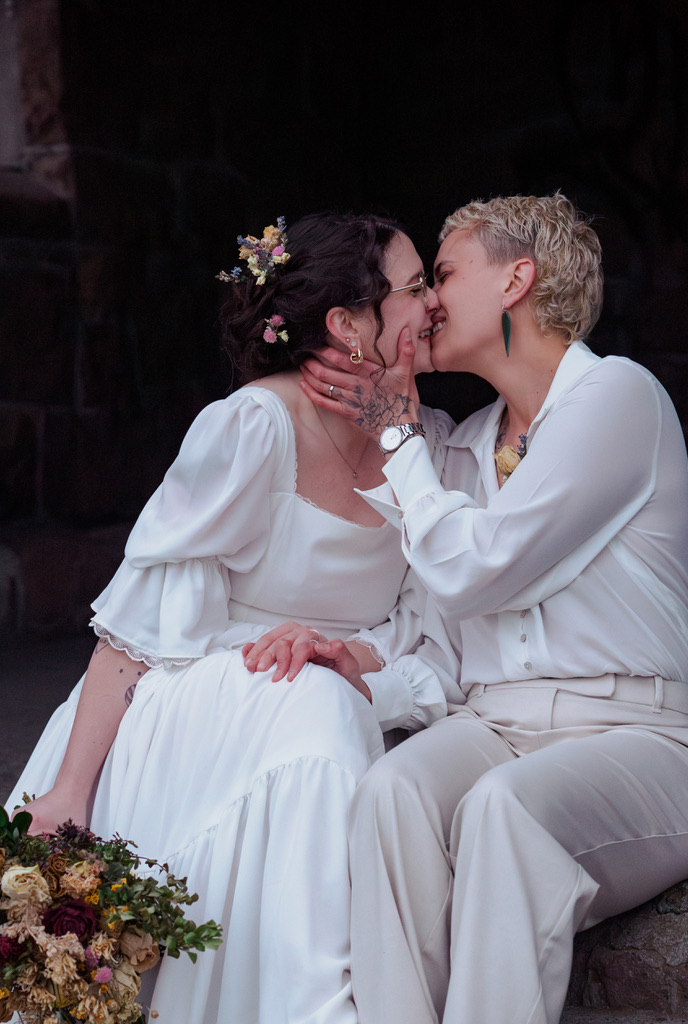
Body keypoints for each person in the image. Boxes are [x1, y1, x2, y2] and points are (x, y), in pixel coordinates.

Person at [287, 193, 688, 1024]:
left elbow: (479, 570)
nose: (428, 301)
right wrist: (352, 672)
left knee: (502, 809)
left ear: (516, 280)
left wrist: (397, 436)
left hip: (646, 741)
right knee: (391, 792)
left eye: (445, 273)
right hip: (496, 725)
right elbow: (444, 646)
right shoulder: (463, 447)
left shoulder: (617, 397)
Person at [6, 211, 456, 1024]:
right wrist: (71, 793)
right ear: (347, 324)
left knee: (325, 699)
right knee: (314, 703)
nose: (434, 304)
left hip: (336, 689)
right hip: (199, 702)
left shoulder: (428, 441)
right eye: (416, 285)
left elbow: (426, 629)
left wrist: (340, 653)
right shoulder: (254, 425)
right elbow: (140, 622)